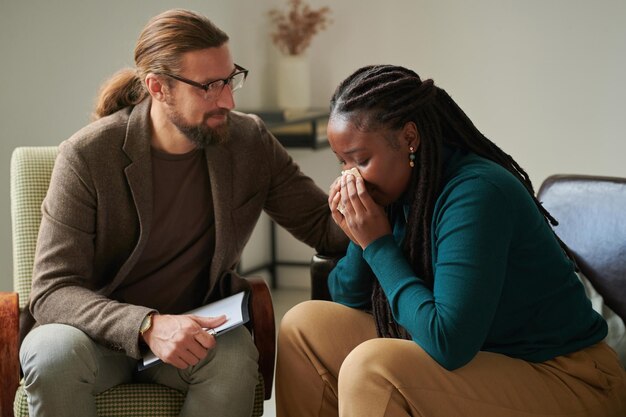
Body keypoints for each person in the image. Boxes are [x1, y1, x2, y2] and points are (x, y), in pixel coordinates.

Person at [19, 9, 346, 417]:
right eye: (208, 86)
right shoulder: (87, 156)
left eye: (229, 80)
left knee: (234, 355)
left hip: (195, 335)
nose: (227, 100)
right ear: (158, 87)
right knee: (51, 354)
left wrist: (367, 185)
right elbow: (52, 291)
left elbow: (323, 226)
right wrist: (148, 326)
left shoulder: (248, 142)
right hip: (91, 341)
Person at [276, 65, 626, 417]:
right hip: (485, 358)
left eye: (361, 160)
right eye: (342, 162)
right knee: (303, 327)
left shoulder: (477, 194)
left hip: (566, 378)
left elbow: (448, 342)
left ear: (409, 138)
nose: (350, 176)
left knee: (372, 367)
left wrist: (378, 245)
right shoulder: (394, 192)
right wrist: (360, 237)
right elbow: (347, 297)